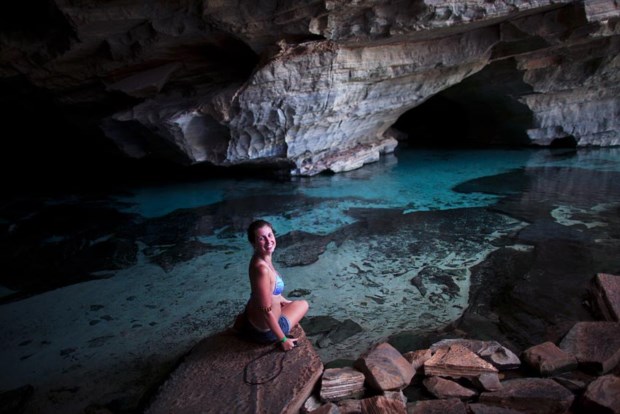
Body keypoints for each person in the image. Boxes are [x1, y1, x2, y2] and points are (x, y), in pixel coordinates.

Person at [234, 219, 309, 351]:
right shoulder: (262, 269)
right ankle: (271, 336)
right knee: (303, 304)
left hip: (251, 320)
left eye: (270, 235)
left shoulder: (261, 258)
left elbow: (265, 292)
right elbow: (266, 311)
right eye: (261, 238)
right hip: (265, 332)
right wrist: (283, 340)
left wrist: (284, 301)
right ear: (253, 243)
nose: (268, 241)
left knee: (291, 303)